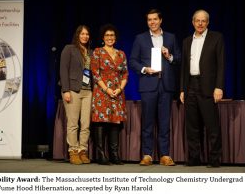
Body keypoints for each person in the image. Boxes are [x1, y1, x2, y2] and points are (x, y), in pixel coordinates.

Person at [130, 9, 181, 166]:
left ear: (160, 20)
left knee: (165, 122)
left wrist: (169, 56)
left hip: (165, 86)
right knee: (148, 122)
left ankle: (165, 155)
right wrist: (145, 69)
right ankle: (147, 154)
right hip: (148, 84)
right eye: (149, 20)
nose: (152, 22)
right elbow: (133, 61)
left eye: (154, 19)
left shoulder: (171, 38)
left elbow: (178, 59)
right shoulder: (140, 38)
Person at [180, 9, 225, 168]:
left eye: (203, 21)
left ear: (207, 23)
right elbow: (184, 68)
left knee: (212, 126)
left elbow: (221, 65)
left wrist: (219, 86)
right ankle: (194, 158)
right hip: (190, 85)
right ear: (193, 22)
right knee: (192, 126)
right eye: (197, 21)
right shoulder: (186, 41)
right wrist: (182, 89)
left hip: (208, 86)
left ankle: (214, 159)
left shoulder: (216, 38)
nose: (200, 23)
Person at [91, 24, 128, 165]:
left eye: (112, 35)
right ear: (103, 38)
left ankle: (114, 154)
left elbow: (125, 74)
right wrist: (107, 90)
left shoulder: (121, 54)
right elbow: (95, 73)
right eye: (107, 36)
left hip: (117, 93)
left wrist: (119, 90)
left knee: (115, 122)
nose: (110, 38)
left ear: (116, 38)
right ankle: (101, 154)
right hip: (102, 92)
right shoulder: (97, 52)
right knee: (100, 122)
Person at [60, 25, 93, 165]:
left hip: (88, 91)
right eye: (82, 34)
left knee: (85, 124)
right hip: (73, 90)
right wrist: (65, 90)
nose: (85, 36)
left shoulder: (91, 52)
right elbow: (63, 69)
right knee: (73, 124)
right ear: (78, 35)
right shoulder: (69, 49)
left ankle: (82, 151)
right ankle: (73, 151)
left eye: (87, 34)